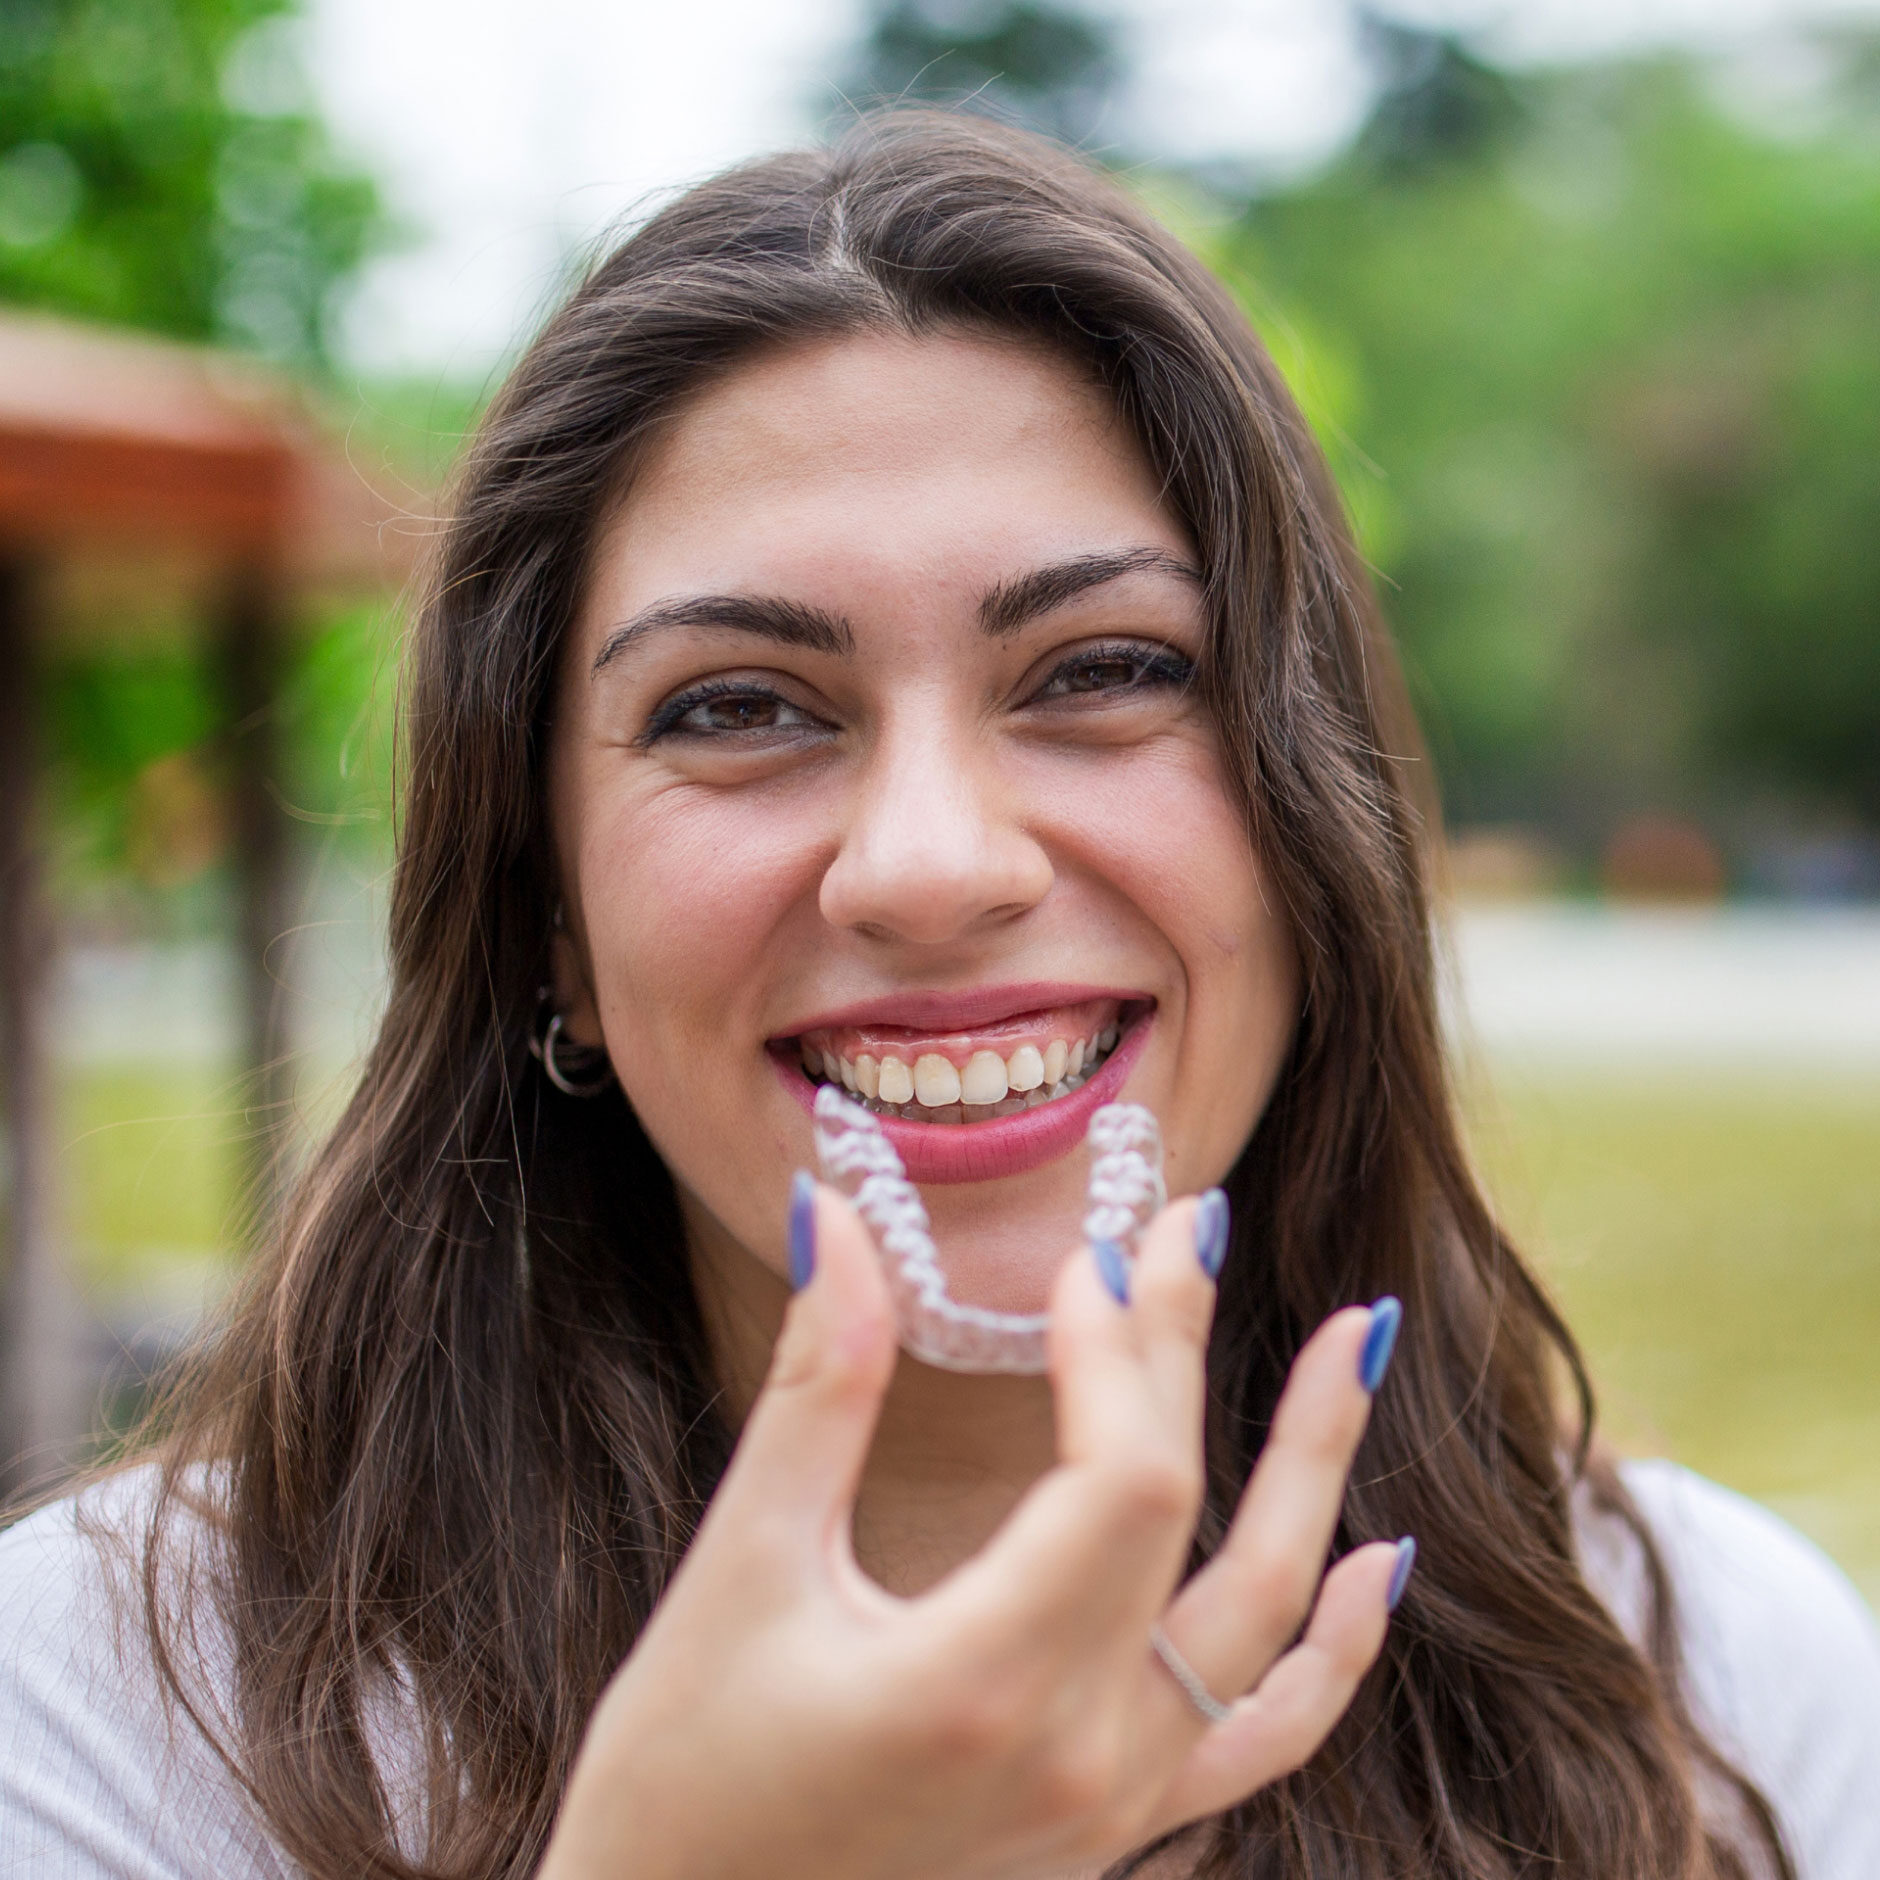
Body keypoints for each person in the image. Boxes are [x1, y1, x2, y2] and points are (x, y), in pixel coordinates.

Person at [2, 110, 1876, 1880]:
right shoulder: (93, 1710)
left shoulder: (1721, 1673)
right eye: (737, 705)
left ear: (1321, 825)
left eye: (1104, 668)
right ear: (546, 914)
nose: (929, 861)